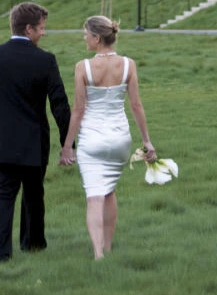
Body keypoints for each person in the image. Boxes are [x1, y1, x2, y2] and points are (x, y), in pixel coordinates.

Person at [0, 2, 71, 263]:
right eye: (41, 29)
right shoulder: (45, 60)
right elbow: (59, 103)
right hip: (33, 143)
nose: (44, 34)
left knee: (2, 197)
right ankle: (33, 245)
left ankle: (1, 254)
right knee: (34, 194)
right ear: (28, 29)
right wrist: (68, 143)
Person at [59, 15, 156, 260]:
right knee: (109, 190)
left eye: (86, 34)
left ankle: (98, 253)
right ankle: (109, 247)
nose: (84, 38)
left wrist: (67, 146)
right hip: (120, 139)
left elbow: (79, 110)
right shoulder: (128, 65)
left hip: (92, 140)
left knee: (94, 196)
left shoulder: (83, 67)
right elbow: (136, 105)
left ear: (97, 38)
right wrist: (146, 141)